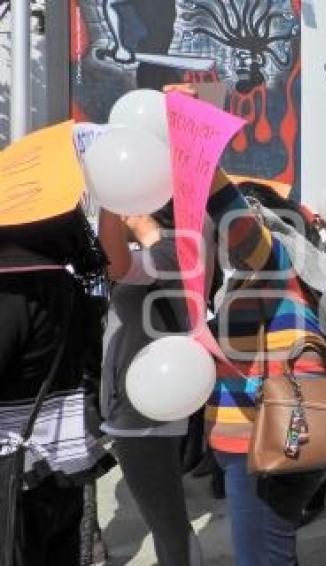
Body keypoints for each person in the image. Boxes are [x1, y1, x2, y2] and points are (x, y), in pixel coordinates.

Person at [204, 172, 326, 566]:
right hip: (261, 446)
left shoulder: (277, 264)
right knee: (273, 553)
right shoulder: (254, 281)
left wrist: (200, 161)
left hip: (263, 449)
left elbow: (236, 221)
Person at [0, 207, 115, 565]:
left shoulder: (10, 290)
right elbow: (91, 370)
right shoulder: (71, 288)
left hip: (13, 475)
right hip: (62, 464)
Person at [97, 203, 204, 566]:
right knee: (168, 520)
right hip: (144, 403)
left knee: (166, 522)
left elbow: (115, 265)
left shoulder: (172, 251)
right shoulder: (168, 250)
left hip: (144, 413)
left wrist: (110, 203)